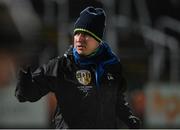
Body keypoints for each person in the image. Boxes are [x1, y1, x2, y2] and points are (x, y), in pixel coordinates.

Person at [15, 6, 141, 129]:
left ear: (98, 40)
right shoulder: (61, 66)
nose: (80, 39)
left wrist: (128, 118)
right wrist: (24, 84)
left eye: (86, 35)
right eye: (77, 33)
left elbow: (117, 100)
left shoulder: (111, 66)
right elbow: (28, 94)